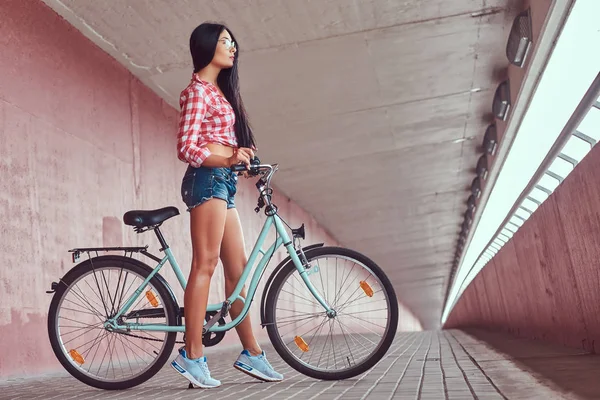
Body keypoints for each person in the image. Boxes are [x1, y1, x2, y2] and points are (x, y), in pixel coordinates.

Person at [170, 22, 283, 389]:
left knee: (238, 270)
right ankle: (192, 354)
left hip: (223, 182)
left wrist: (239, 158)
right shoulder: (198, 91)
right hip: (207, 181)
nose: (232, 47)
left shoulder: (218, 92)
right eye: (224, 42)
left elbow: (219, 145)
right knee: (205, 264)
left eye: (233, 42)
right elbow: (187, 147)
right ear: (206, 46)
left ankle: (252, 353)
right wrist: (227, 158)